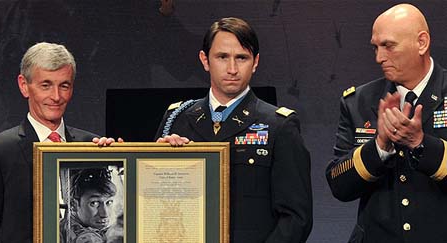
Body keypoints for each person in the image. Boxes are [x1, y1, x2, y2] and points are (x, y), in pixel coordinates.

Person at [156, 17, 312, 243]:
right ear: (205, 60)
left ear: (255, 62)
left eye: (241, 58)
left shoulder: (279, 125)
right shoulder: (176, 119)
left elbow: (297, 219)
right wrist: (157, 165)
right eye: (222, 57)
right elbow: (152, 204)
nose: (232, 69)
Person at [326, 4, 447, 242]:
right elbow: (338, 184)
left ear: (421, 43)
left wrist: (420, 144)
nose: (379, 57)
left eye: (388, 46)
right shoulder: (358, 101)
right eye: (376, 47)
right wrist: (380, 146)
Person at [0, 42, 119, 243]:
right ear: (24, 85)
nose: (56, 97)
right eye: (45, 85)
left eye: (63, 85)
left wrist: (167, 152)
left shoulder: (92, 146)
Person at [60, 168, 118, 243]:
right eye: (94, 203)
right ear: (74, 205)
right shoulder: (89, 239)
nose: (104, 214)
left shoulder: (64, 224)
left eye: (109, 202)